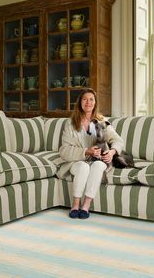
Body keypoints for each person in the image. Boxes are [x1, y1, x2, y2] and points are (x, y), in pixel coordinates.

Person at [57, 88, 124, 219]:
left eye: (91, 99)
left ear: (95, 102)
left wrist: (112, 151)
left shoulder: (101, 121)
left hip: (98, 161)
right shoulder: (71, 123)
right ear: (80, 102)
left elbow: (118, 140)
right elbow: (64, 150)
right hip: (77, 161)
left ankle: (86, 206)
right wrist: (86, 151)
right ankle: (75, 205)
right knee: (83, 167)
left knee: (98, 166)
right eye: (85, 99)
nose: (88, 102)